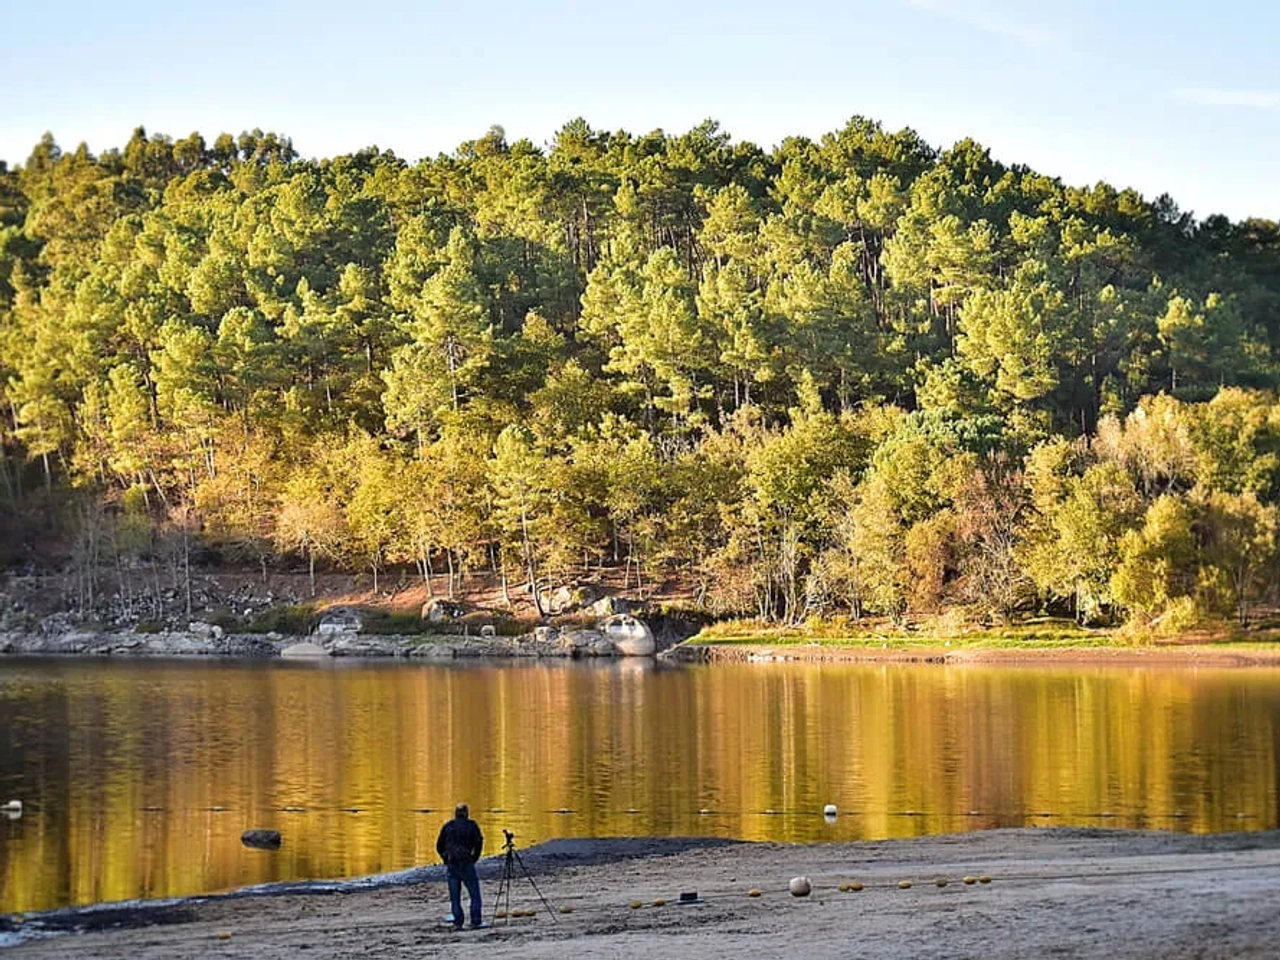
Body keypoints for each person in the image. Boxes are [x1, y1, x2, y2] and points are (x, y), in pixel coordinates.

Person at [436, 802, 484, 930]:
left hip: (452, 862)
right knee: (474, 893)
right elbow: (479, 842)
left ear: (455, 813)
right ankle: (475, 920)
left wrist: (445, 857)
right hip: (467, 862)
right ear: (467, 813)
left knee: (455, 896)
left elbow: (439, 845)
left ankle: (458, 921)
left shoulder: (448, 826)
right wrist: (474, 858)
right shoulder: (472, 826)